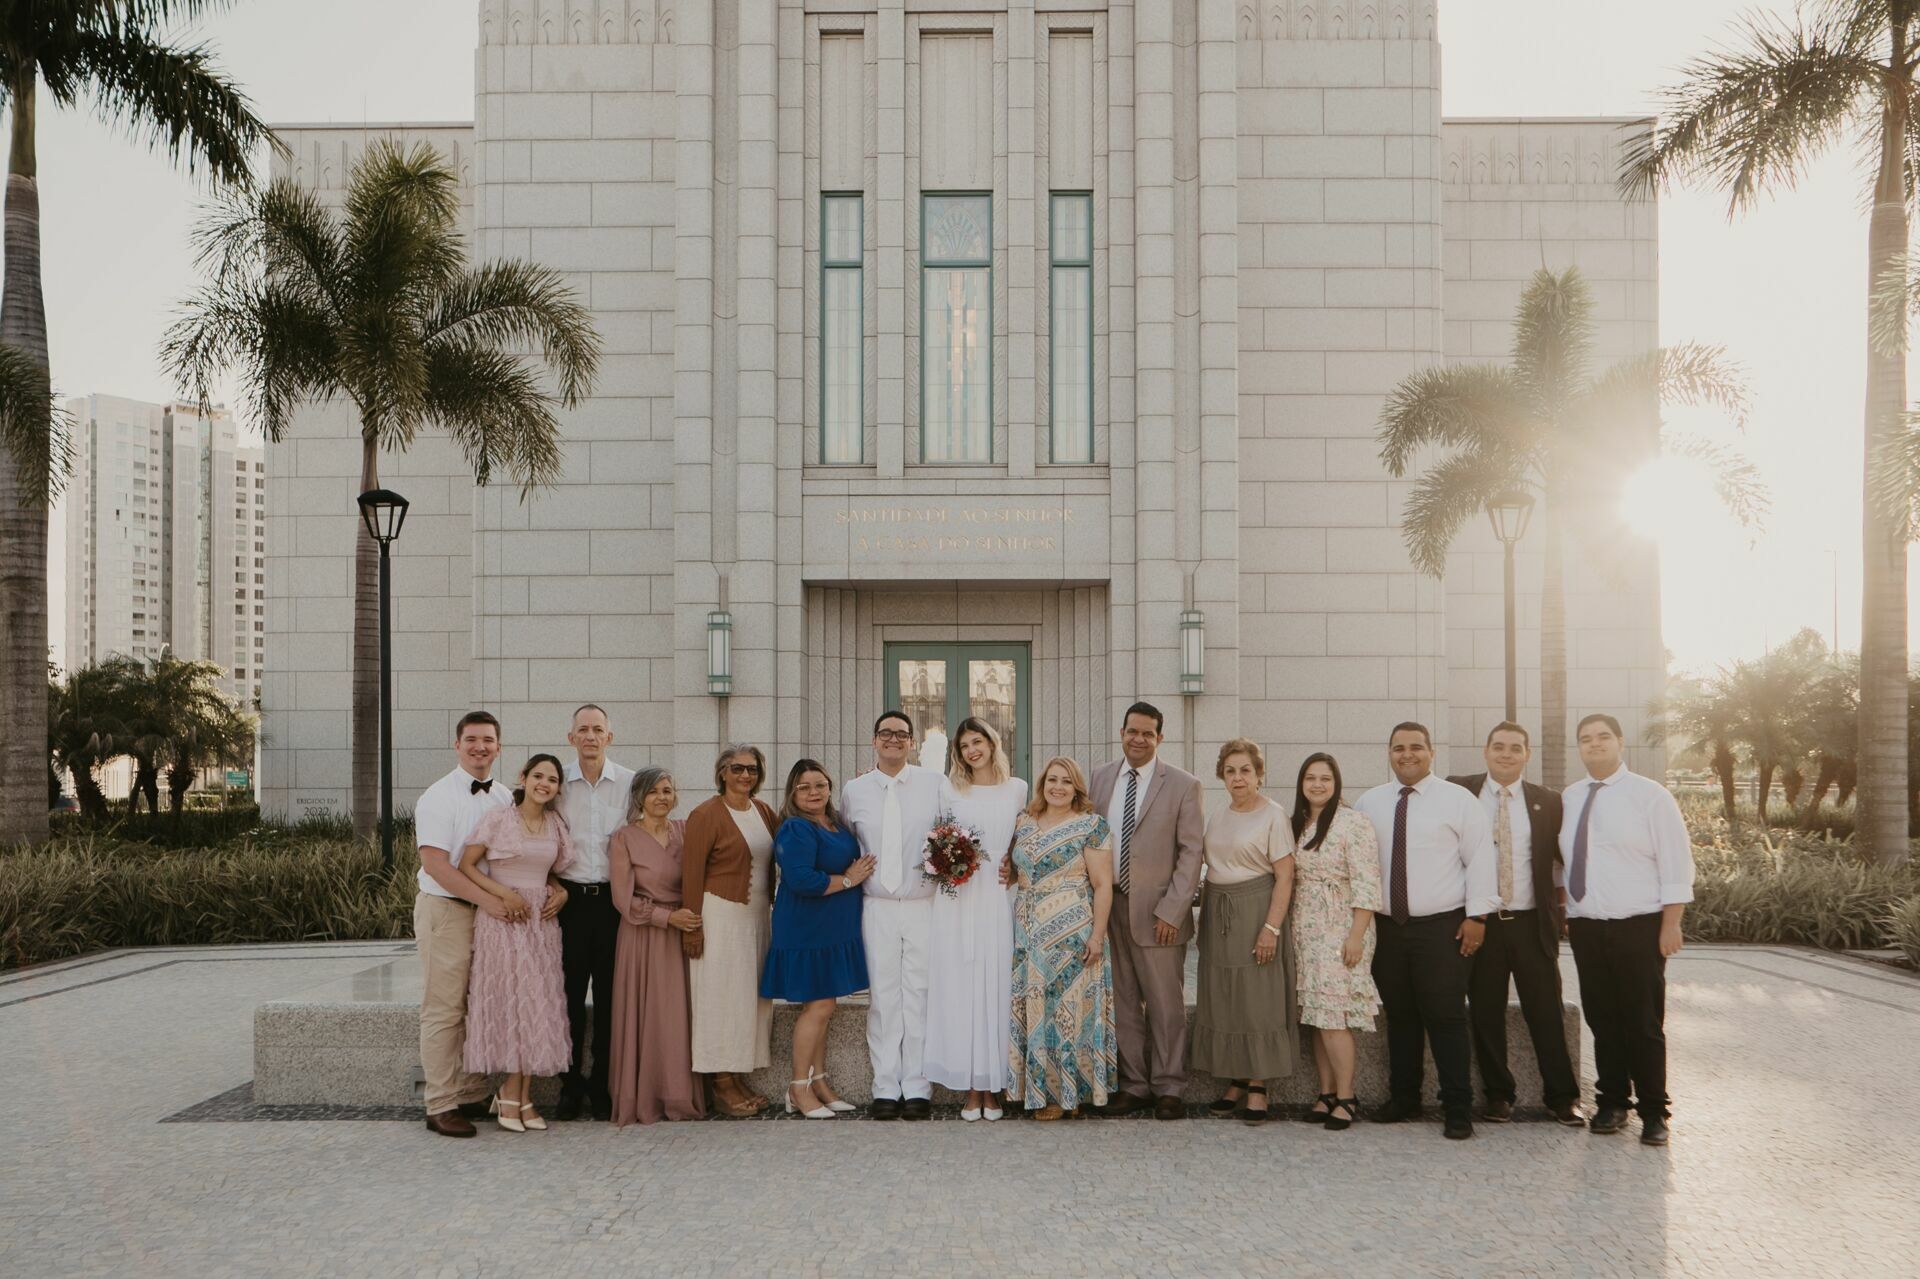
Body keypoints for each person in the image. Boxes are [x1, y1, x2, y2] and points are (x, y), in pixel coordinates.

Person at [1354, 722, 1497, 1140]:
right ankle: (1404, 1098)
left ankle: (1457, 1106)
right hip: (1389, 929)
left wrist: (1478, 917)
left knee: (1447, 1016)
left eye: (1416, 747)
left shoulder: (1458, 801)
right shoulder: (1370, 803)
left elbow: (1480, 859)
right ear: (1389, 753)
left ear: (1431, 752)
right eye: (1398, 747)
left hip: (1443, 928)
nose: (1407, 754)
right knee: (1400, 1017)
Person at [1562, 712, 1694, 1147]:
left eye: (1603, 737)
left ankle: (1655, 1111)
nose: (1594, 744)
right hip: (1586, 926)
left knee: (1642, 1021)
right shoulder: (1571, 797)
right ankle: (1613, 1101)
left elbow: (1676, 862)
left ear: (1621, 743)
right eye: (1586, 739)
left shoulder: (1650, 796)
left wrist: (1670, 924)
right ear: (1578, 747)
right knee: (1602, 1018)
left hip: (1638, 925)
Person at [1448, 721, 1582, 1126]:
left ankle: (1562, 1097)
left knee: (1546, 1010)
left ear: (1527, 754)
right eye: (1499, 747)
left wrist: (1566, 911)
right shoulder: (1460, 792)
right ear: (1486, 752)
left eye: (1515, 748)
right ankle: (1498, 1096)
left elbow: (1561, 863)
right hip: (1481, 922)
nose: (1506, 754)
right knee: (1485, 1011)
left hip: (1529, 922)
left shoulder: (1548, 801)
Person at [1087, 702, 1205, 1119]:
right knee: (1121, 1001)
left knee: (1165, 1004)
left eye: (1148, 734)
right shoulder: (1100, 778)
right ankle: (1134, 1084)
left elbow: (1191, 852)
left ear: (1160, 738)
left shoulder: (1183, 784)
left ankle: (1169, 1086)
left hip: (1159, 914)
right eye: (1132, 731)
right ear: (1121, 732)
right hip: (1108, 906)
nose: (1138, 739)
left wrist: (1173, 910)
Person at [455, 753, 576, 1132]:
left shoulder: (556, 823)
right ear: (524, 777)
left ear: (558, 788)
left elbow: (551, 873)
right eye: (538, 775)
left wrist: (561, 893)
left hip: (541, 923)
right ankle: (510, 1093)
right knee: (513, 1003)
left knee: (537, 1004)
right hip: (505, 920)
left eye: (552, 779)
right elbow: (467, 865)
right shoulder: (500, 818)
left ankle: (520, 1097)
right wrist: (503, 895)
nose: (544, 783)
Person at [412, 710, 515, 1138]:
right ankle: (439, 1104)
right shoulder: (437, 796)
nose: (480, 747)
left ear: (498, 746)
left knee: (480, 1003)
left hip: (488, 913)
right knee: (444, 1009)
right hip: (447, 911)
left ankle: (472, 1091)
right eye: (471, 739)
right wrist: (489, 902)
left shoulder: (506, 796)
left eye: (488, 740)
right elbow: (435, 864)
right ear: (457, 745)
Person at [841, 710, 945, 1121]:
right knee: (883, 997)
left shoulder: (935, 784)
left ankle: (917, 1086)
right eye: (886, 733)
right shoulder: (855, 789)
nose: (894, 740)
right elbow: (847, 838)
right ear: (874, 740)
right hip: (877, 906)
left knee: (919, 995)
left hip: (923, 904)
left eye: (902, 735)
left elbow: (953, 832)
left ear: (912, 742)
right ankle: (885, 1085)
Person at [925, 717, 1028, 1120]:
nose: (972, 750)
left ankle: (994, 1086)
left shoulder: (1017, 789)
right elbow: (933, 837)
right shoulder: (949, 788)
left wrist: (1016, 868)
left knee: (997, 989)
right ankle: (971, 1088)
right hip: (958, 900)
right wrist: (945, 863)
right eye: (964, 744)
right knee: (963, 992)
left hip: (998, 899)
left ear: (992, 742)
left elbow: (1025, 841)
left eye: (978, 741)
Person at [760, 759, 875, 1118]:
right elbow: (802, 880)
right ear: (793, 793)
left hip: (835, 928)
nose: (814, 792)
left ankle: (820, 1083)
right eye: (805, 787)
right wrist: (849, 880)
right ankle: (797, 1088)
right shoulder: (796, 828)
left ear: (830, 788)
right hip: (807, 928)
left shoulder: (836, 824)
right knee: (819, 1006)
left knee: (826, 1007)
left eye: (820, 785)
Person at [1193, 738, 1298, 1125]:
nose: (1238, 778)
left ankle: (1258, 1083)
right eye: (1231, 770)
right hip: (1219, 911)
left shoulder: (1273, 815)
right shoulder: (1218, 815)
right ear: (1223, 774)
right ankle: (1236, 1077)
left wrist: (1270, 927)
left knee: (1256, 997)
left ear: (1259, 774)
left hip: (1256, 909)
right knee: (1226, 995)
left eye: (1246, 770)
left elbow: (1286, 876)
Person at [1007, 756, 1116, 1120]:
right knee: (1038, 1009)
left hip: (1073, 930)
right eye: (1052, 780)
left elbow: (1102, 886)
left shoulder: (1091, 825)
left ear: (1077, 788)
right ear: (1042, 785)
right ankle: (1043, 1092)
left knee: (1070, 1012)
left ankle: (1070, 1095)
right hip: (1030, 932)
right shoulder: (1024, 823)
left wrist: (1097, 936)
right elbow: (1014, 871)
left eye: (1066, 782)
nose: (1058, 787)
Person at [681, 743, 779, 1117]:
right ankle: (720, 1083)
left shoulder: (764, 811)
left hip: (756, 917)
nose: (745, 776)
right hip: (719, 915)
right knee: (720, 999)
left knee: (749, 999)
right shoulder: (705, 814)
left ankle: (736, 1075)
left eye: (752, 769)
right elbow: (691, 873)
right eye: (737, 768)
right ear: (722, 772)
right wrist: (692, 928)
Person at [607, 767, 705, 1126]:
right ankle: (643, 1096)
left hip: (683, 933)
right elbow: (622, 898)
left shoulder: (685, 831)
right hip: (644, 934)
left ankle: (677, 1094)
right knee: (646, 1013)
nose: (662, 797)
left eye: (667, 790)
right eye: (654, 792)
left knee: (677, 1015)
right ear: (639, 797)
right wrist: (666, 919)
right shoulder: (624, 838)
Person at [1289, 753, 1381, 1133]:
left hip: (1342, 924)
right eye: (1310, 778)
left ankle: (1347, 1096)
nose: (1317, 785)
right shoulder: (1298, 824)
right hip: (1306, 926)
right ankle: (1325, 1093)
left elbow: (1366, 882)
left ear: (1336, 782)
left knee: (1334, 1017)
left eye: (1325, 778)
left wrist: (1356, 936)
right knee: (1315, 1014)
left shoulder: (1353, 823)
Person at [555, 703, 635, 1121]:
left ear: (610, 736)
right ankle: (569, 1085)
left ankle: (603, 1084)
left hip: (611, 903)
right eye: (582, 730)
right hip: (568, 902)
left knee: (609, 998)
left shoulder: (629, 783)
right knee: (567, 996)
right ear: (571, 738)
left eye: (597, 729)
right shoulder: (556, 784)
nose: (590, 736)